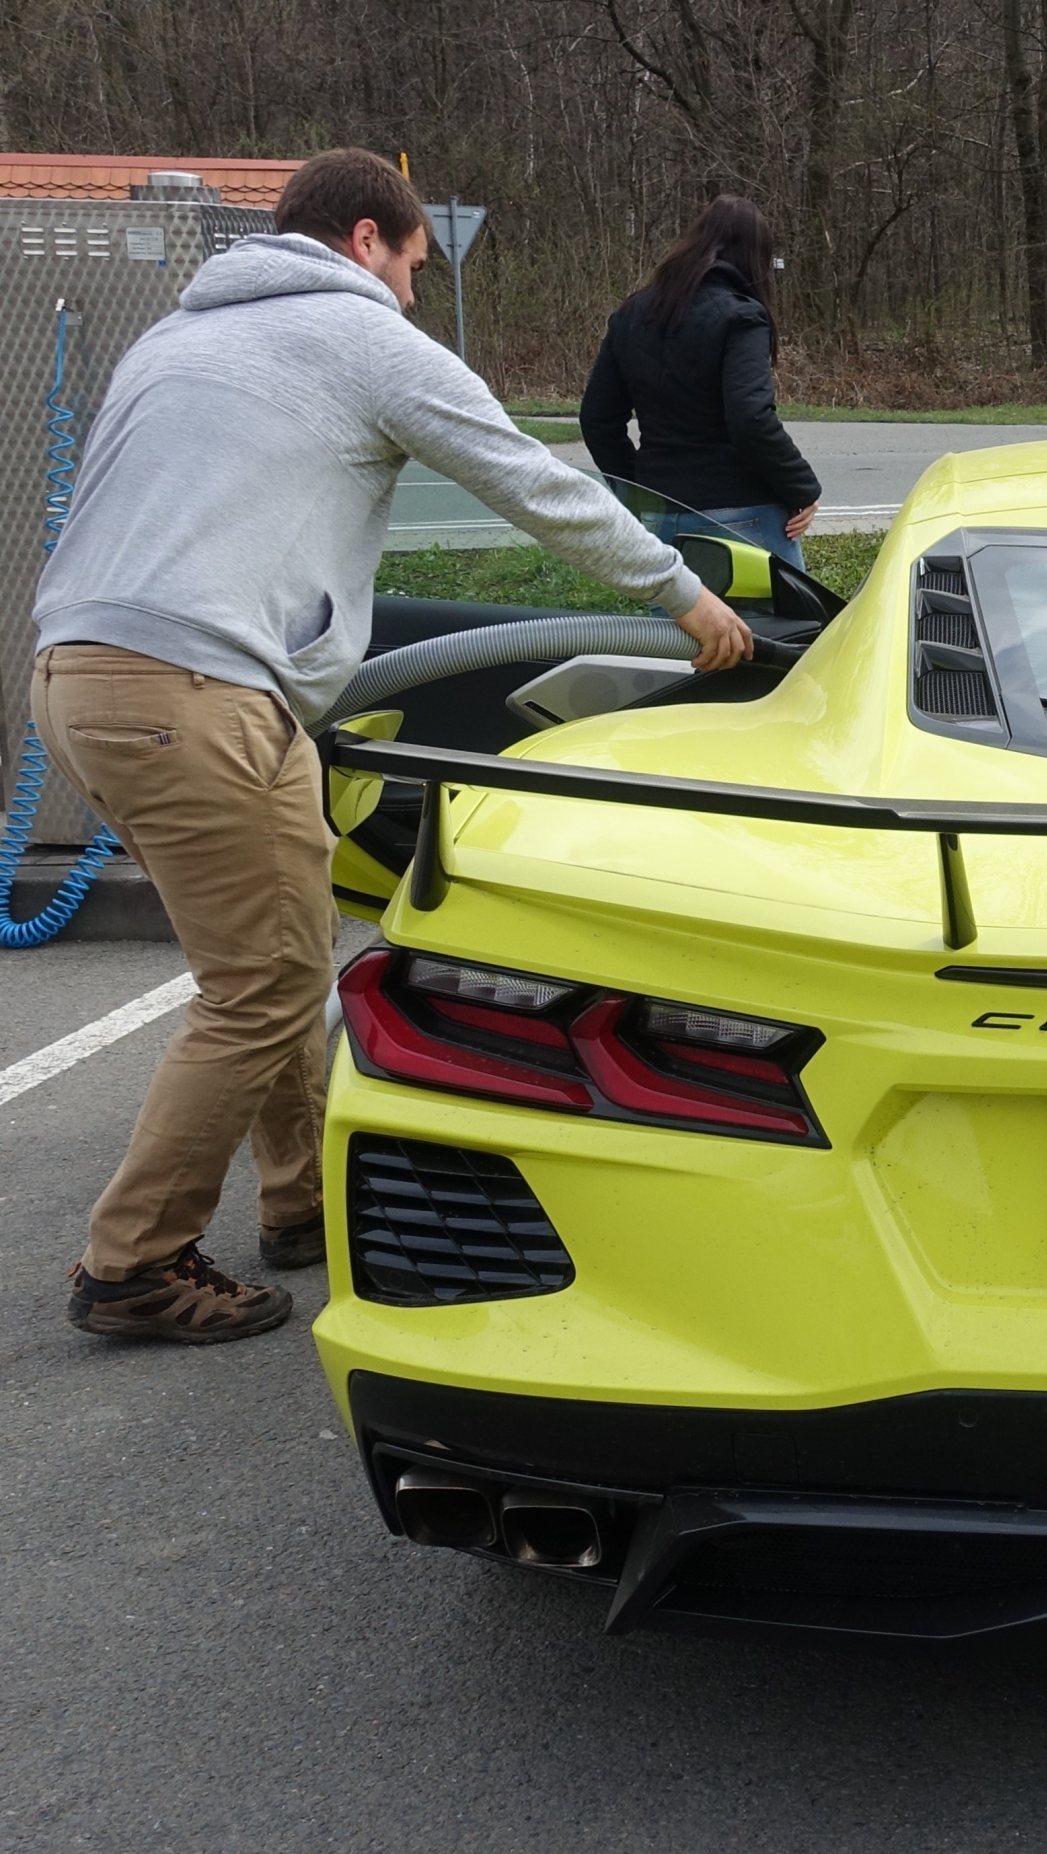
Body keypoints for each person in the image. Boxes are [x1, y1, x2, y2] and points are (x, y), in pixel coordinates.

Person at [31, 147, 751, 1345]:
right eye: (416, 265)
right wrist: (686, 599)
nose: (416, 292)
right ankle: (135, 1262)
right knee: (259, 986)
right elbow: (527, 475)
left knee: (280, 944)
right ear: (368, 238)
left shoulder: (177, 339)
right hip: (190, 689)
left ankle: (305, 1202)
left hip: (96, 675)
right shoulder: (355, 336)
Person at [580, 196, 822, 569]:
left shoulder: (632, 314)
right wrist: (803, 488)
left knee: (677, 630)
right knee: (775, 628)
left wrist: (641, 492)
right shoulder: (742, 316)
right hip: (742, 513)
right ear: (755, 257)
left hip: (660, 516)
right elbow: (750, 417)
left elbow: (598, 420)